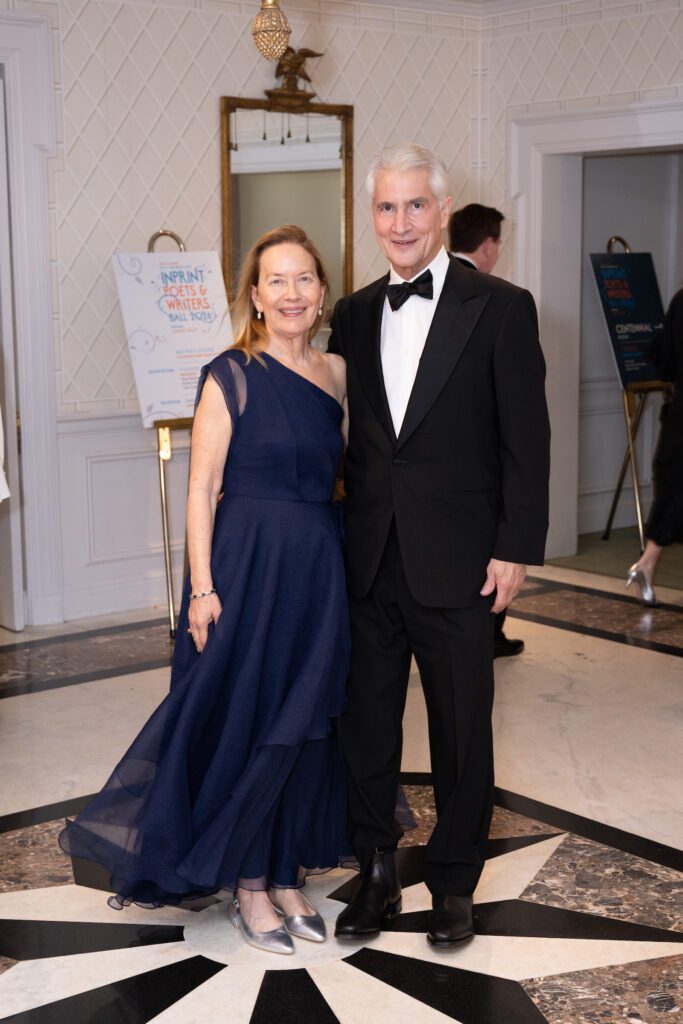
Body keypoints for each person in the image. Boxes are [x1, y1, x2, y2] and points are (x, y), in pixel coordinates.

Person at [60, 225, 350, 956]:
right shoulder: (230, 373)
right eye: (276, 281)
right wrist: (201, 588)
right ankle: (249, 885)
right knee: (249, 721)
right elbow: (202, 486)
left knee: (307, 721)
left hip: (318, 568)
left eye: (304, 279)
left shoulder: (337, 373)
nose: (291, 293)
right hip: (247, 566)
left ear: (322, 292)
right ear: (254, 296)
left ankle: (286, 873)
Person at [328, 144, 549, 947]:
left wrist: (515, 544)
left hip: (460, 561)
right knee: (367, 727)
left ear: (442, 213)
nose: (399, 223)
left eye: (414, 206)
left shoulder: (500, 306)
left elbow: (527, 438)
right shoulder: (351, 314)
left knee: (462, 729)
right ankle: (377, 869)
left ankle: (454, 881)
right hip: (368, 560)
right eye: (385, 208)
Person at [448, 203, 525, 659]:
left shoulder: (505, 302)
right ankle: (489, 633)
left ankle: (488, 635)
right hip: (479, 487)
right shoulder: (500, 300)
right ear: (490, 244)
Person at [627, 286, 683, 605]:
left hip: (679, 416)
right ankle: (645, 565)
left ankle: (646, 564)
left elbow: (665, 361)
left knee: (674, 492)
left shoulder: (680, 300)